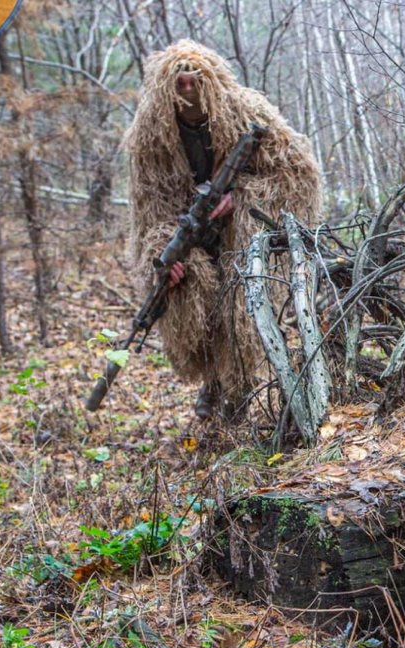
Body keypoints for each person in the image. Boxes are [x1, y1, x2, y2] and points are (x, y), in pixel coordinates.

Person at [123, 40, 322, 420]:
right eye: (178, 84)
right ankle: (212, 381)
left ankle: (241, 388)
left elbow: (298, 173)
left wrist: (241, 196)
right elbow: (149, 209)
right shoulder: (151, 135)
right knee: (190, 297)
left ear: (211, 81)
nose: (187, 91)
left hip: (241, 230)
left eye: (194, 81)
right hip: (190, 232)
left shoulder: (246, 111)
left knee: (241, 306)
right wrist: (164, 253)